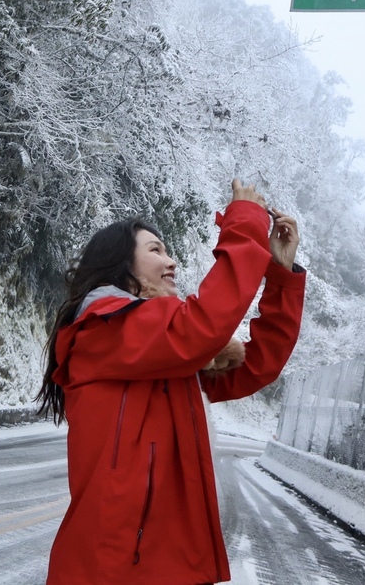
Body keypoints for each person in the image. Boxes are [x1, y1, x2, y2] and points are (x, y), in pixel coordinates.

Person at [37, 179, 306, 585]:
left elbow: (257, 366)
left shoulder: (161, 352)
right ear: (120, 264)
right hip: (112, 569)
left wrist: (280, 273)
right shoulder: (101, 329)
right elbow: (199, 327)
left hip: (172, 564)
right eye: (155, 250)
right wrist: (245, 223)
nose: (171, 261)